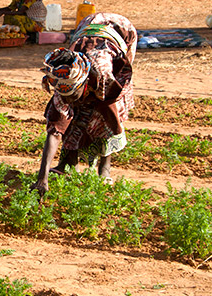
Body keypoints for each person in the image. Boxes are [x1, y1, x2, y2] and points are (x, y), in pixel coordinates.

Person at [32, 13, 137, 196]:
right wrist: (42, 178)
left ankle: (105, 169)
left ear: (84, 84)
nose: (70, 100)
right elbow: (55, 130)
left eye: (74, 95)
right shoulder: (63, 78)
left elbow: (110, 113)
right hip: (88, 26)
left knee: (100, 114)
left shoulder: (103, 73)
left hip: (121, 32)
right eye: (67, 96)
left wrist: (115, 130)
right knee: (70, 116)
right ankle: (68, 163)